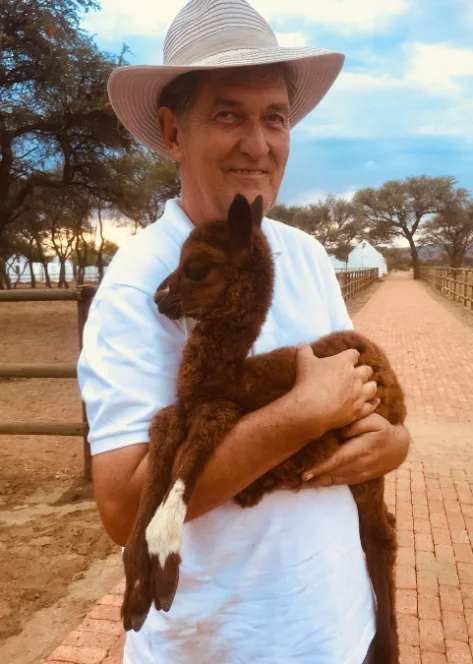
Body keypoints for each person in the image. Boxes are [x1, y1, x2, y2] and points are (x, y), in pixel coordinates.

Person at [77, 1, 410, 662]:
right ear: (173, 132)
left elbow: (360, 400)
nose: (257, 144)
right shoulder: (143, 279)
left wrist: (391, 443)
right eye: (228, 114)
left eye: (273, 118)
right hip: (225, 643)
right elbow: (121, 508)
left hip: (337, 626)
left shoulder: (305, 255)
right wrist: (299, 414)